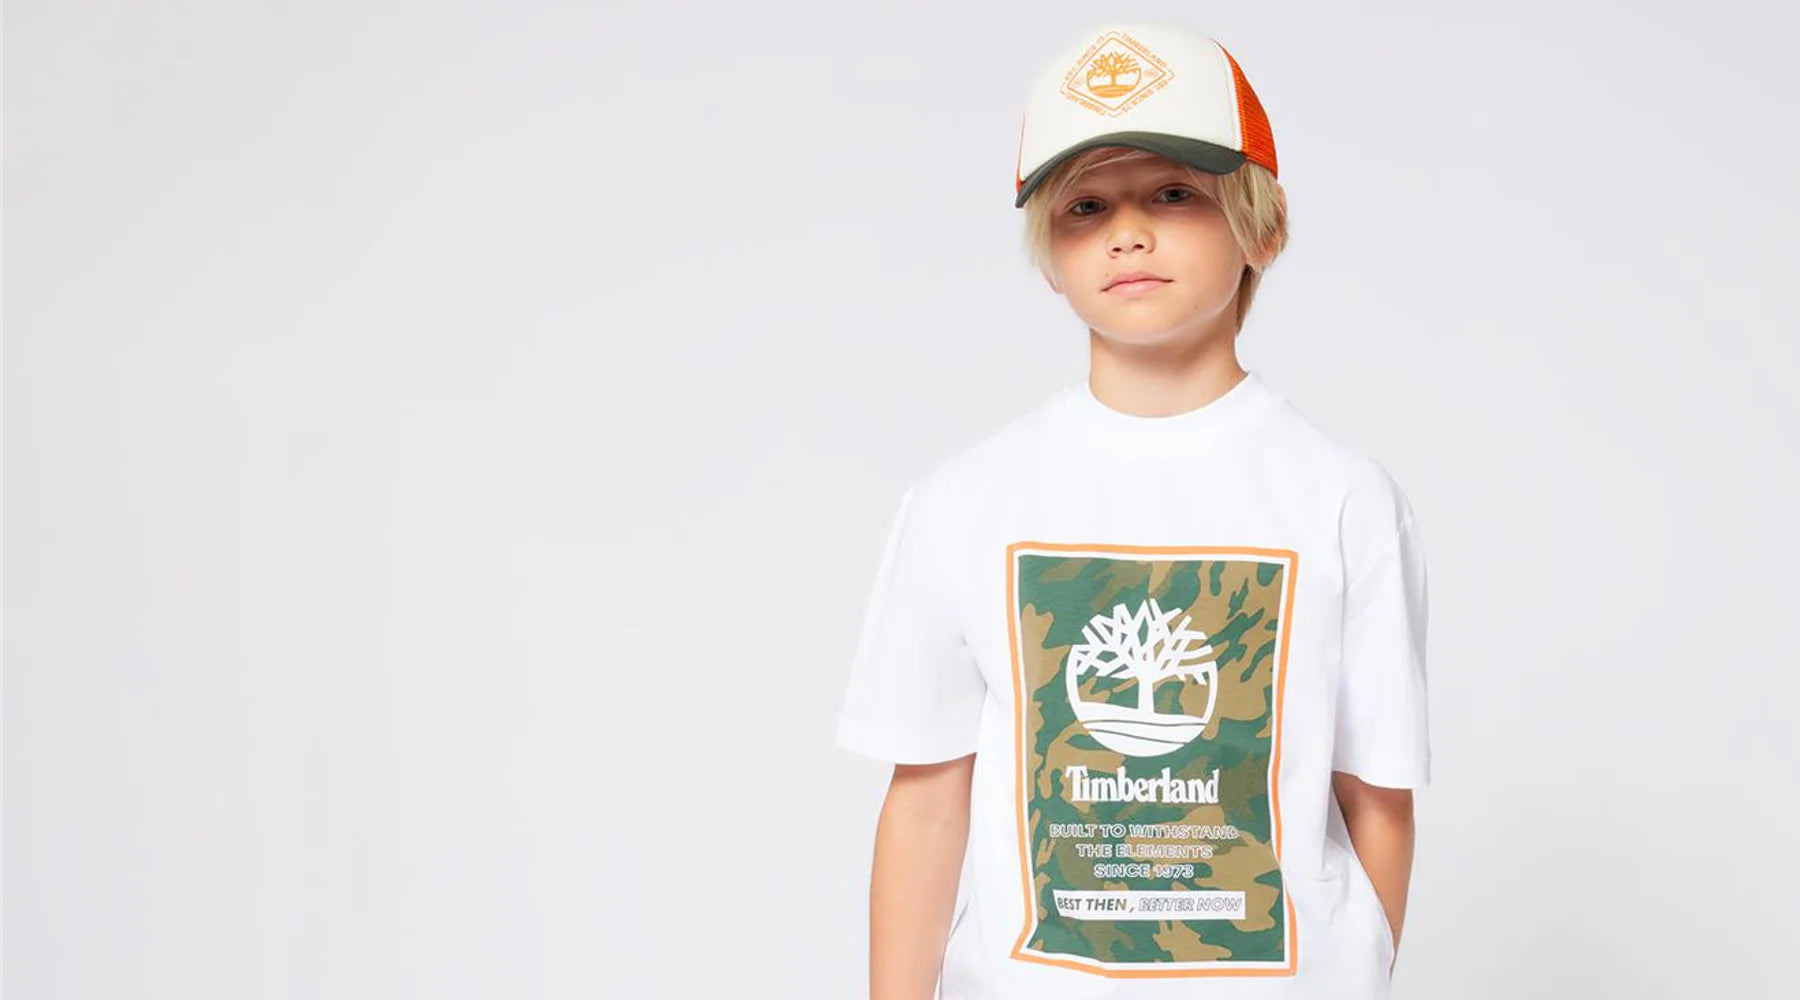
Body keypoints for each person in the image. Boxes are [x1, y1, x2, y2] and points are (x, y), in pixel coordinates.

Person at [834, 20, 1430, 1000]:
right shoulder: (963, 503)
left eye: (1173, 193)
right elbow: (927, 801)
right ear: (1049, 258)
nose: (1127, 231)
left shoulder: (1342, 499)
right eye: (1085, 206)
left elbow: (1377, 793)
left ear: (1263, 228)